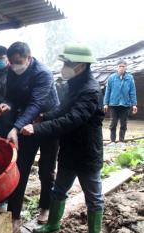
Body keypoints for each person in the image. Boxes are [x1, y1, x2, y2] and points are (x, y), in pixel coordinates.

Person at [22, 44, 105, 233]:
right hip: (69, 151)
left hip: (86, 153)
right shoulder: (74, 85)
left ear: (81, 66)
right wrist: (45, 116)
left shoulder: (90, 91)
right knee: (59, 190)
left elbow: (71, 120)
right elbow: (62, 110)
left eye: (68, 62)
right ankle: (53, 224)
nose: (64, 66)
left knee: (93, 198)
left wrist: (37, 128)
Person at [0, 42, 59, 230]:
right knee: (21, 168)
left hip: (47, 123)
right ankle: (15, 215)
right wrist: (8, 104)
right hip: (26, 123)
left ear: (29, 58)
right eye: (12, 62)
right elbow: (13, 96)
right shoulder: (11, 71)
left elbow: (36, 104)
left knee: (46, 170)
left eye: (19, 62)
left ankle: (45, 207)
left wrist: (15, 128)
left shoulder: (43, 74)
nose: (15, 66)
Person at [103, 60, 138, 144]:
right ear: (117, 67)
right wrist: (105, 103)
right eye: (120, 66)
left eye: (123, 66)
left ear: (125, 67)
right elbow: (108, 91)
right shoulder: (112, 77)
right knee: (113, 123)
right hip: (114, 104)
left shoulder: (129, 78)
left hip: (125, 104)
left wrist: (134, 104)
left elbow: (132, 91)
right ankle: (112, 141)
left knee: (123, 123)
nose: (121, 68)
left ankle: (121, 141)